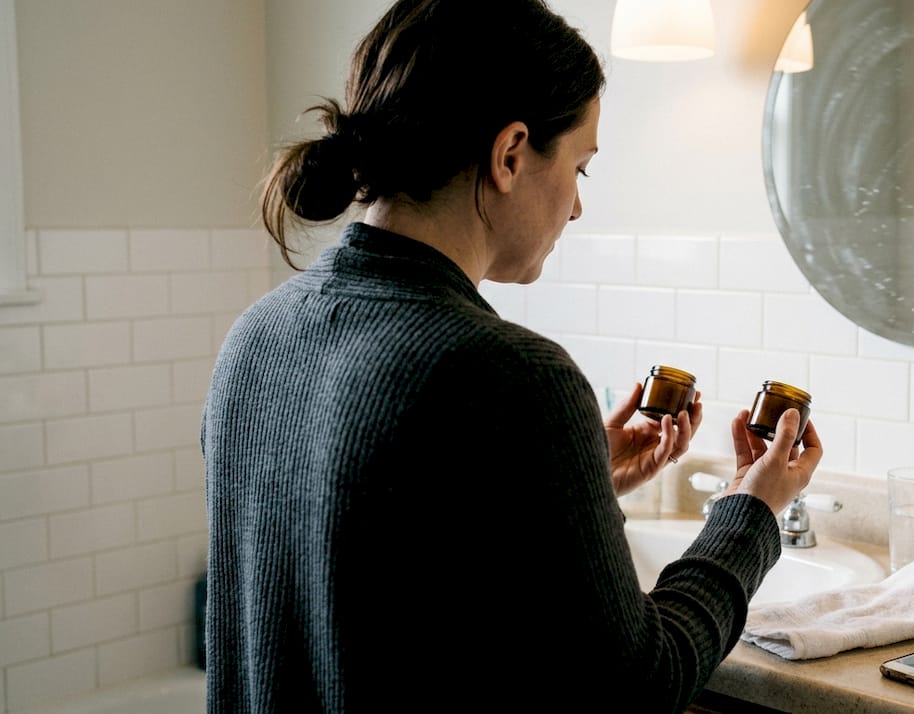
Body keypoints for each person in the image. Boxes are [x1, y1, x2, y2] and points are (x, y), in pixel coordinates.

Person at [199, 1, 823, 712]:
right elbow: (638, 687)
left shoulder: (256, 336)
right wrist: (751, 513)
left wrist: (572, 481)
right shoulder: (512, 377)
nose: (577, 208)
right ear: (510, 154)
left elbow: (392, 566)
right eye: (581, 169)